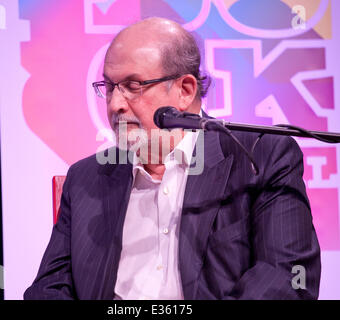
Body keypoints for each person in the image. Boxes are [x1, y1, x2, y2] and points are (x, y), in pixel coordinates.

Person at [24, 17, 321, 300]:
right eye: (110, 87)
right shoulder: (86, 178)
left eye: (133, 86)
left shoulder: (258, 158)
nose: (115, 104)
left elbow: (286, 278)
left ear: (185, 90)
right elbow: (49, 287)